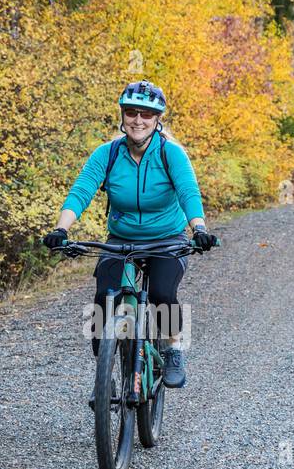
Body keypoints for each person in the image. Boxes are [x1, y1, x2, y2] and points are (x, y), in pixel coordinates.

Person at [42, 80, 216, 388]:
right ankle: (105, 371)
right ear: (122, 116)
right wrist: (61, 228)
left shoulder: (170, 154)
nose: (138, 120)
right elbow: (81, 191)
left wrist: (198, 228)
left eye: (147, 114)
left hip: (167, 239)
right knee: (103, 299)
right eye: (132, 112)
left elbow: (189, 192)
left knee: (162, 294)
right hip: (122, 240)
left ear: (157, 119)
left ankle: (173, 347)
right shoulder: (106, 154)